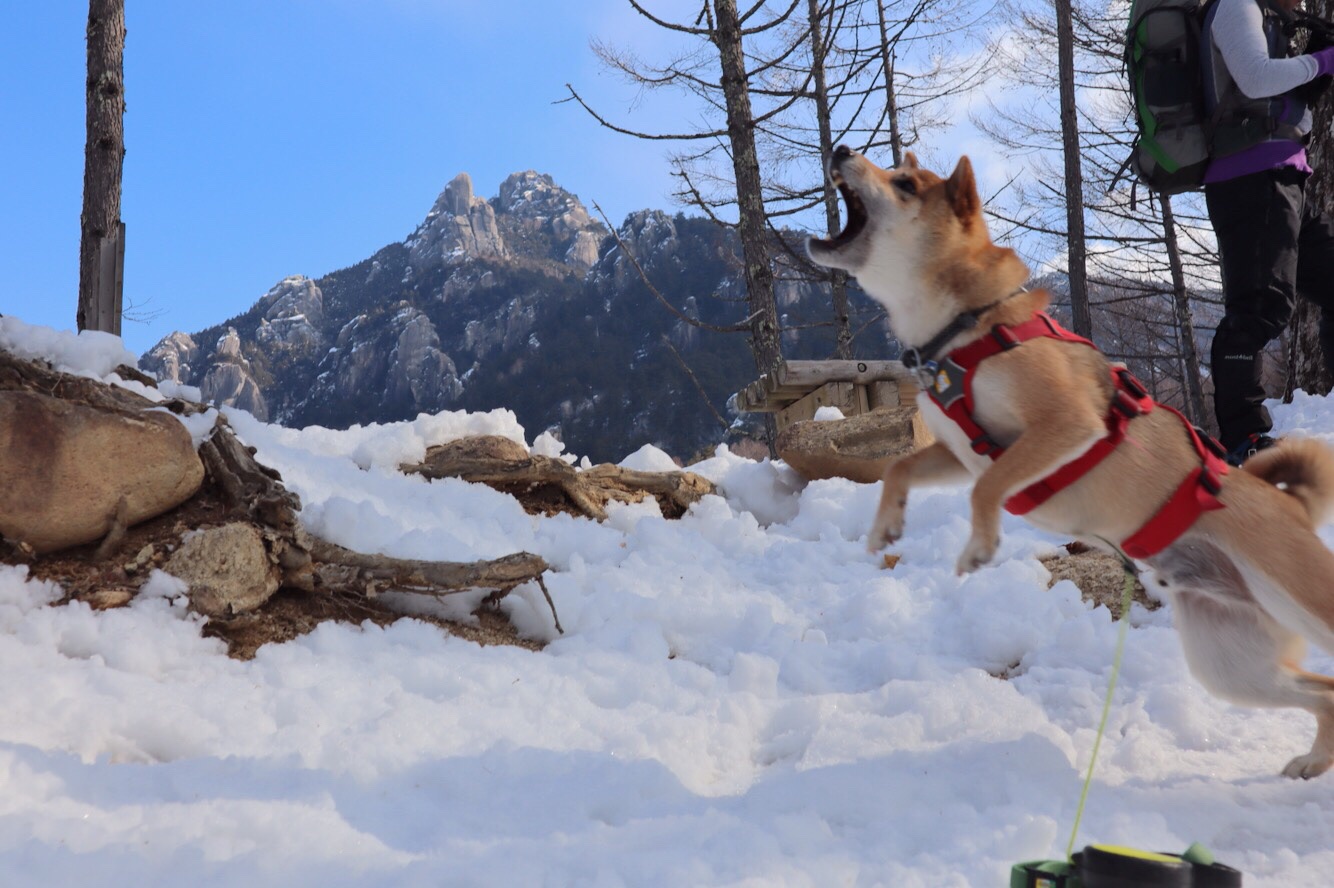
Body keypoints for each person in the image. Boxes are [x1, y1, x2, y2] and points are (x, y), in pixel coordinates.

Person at [1202, 0, 1334, 464]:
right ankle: (1244, 440)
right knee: (1258, 309)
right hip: (1249, 176)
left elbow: (1277, 98)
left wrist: (1315, 71)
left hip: (1283, 174)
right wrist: (1322, 61)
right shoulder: (1235, 5)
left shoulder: (1267, 15)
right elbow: (1254, 78)